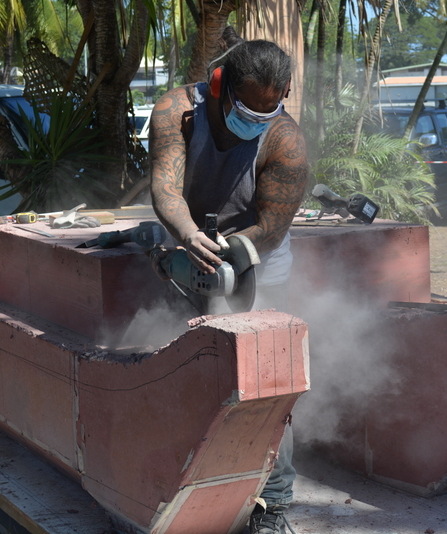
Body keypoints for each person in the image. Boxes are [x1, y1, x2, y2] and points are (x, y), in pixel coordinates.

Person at [148, 25, 308, 534]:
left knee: (267, 383)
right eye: (247, 110)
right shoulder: (177, 110)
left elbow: (272, 227)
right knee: (186, 366)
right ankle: (185, 482)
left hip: (259, 261)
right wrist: (190, 237)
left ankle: (274, 505)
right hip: (189, 242)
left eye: (269, 109)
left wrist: (231, 257)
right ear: (219, 85)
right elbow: (166, 188)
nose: (257, 120)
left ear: (285, 95)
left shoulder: (286, 141)